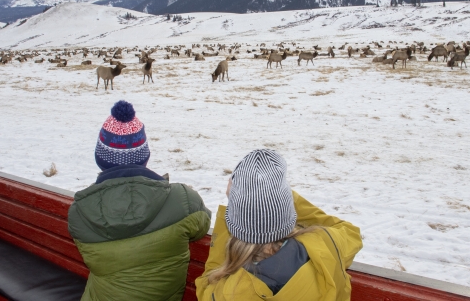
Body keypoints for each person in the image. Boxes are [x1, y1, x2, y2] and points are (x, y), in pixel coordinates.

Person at [68, 100, 211, 301]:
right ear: (144, 157)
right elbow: (202, 225)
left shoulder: (80, 212)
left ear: (101, 159)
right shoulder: (183, 200)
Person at [196, 149, 363, 300]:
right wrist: (280, 197)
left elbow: (205, 288)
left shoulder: (234, 291)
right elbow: (351, 233)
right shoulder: (324, 243)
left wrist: (233, 209)